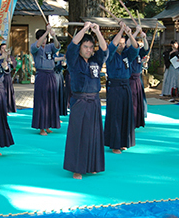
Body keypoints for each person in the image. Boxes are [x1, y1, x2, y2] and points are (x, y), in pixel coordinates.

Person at [63, 22, 108, 179]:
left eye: (90, 47)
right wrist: (84, 29)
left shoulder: (96, 61)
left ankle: (92, 165)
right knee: (78, 135)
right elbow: (73, 45)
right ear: (81, 48)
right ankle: (77, 168)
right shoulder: (73, 60)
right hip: (79, 101)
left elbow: (104, 49)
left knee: (94, 135)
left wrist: (97, 31)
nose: (88, 50)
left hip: (94, 101)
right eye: (85, 47)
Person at [104, 21, 139, 154]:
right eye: (119, 43)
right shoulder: (109, 55)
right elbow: (112, 46)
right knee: (116, 115)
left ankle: (123, 142)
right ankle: (114, 144)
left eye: (123, 43)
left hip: (126, 86)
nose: (121, 45)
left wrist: (130, 34)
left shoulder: (126, 55)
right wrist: (121, 31)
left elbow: (135, 48)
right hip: (115, 87)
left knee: (125, 115)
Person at [31, 24, 61, 135]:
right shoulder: (34, 46)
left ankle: (49, 124)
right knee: (42, 101)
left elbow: (57, 46)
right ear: (38, 38)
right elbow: (38, 45)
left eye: (45, 39)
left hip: (51, 74)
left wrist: (54, 35)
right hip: (41, 75)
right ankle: (42, 127)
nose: (44, 41)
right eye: (42, 38)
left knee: (51, 100)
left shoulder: (50, 47)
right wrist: (46, 32)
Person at [129, 29, 149, 128]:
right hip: (130, 79)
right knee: (132, 101)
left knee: (139, 100)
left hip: (138, 78)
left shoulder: (139, 53)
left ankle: (138, 119)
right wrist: (135, 32)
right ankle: (130, 120)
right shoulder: (128, 53)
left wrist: (144, 38)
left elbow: (146, 48)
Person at [0, 43, 17, 114]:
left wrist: (10, 61)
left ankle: (9, 108)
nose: (4, 50)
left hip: (8, 78)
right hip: (1, 78)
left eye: (5, 48)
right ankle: (2, 109)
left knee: (9, 93)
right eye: (2, 48)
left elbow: (14, 65)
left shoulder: (10, 57)